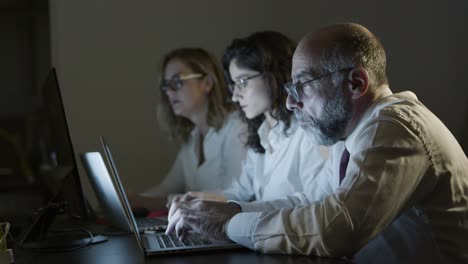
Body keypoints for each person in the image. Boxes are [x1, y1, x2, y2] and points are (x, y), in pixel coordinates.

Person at [166, 23, 468, 263]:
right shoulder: (348, 135)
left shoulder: (395, 126)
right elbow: (309, 202)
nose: (291, 102)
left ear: (356, 83)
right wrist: (230, 212)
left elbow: (338, 228)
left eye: (304, 86)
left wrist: (227, 227)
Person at [177, 31, 327, 204]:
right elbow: (241, 191)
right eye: (234, 85)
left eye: (242, 82)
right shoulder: (262, 134)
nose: (235, 96)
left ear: (274, 75)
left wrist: (240, 212)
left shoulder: (308, 133)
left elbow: (313, 204)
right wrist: (196, 200)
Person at [129, 48, 247, 212]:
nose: (169, 92)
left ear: (207, 83)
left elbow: (235, 195)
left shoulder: (236, 127)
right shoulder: (193, 137)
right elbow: (167, 187)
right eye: (166, 85)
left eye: (177, 81)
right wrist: (130, 200)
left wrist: (148, 202)